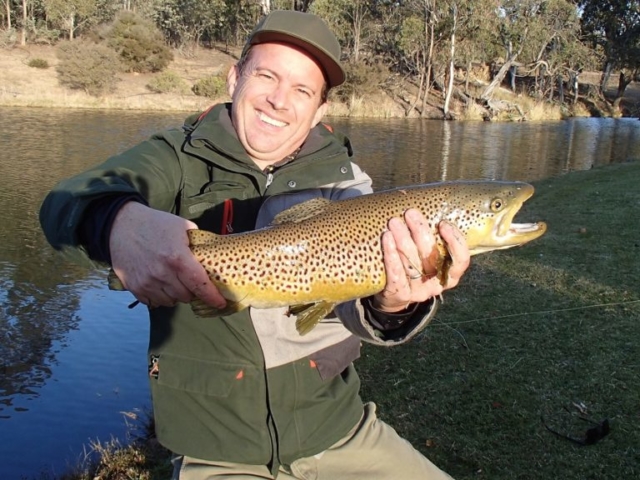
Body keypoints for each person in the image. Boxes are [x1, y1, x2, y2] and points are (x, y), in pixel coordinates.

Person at [40, 10, 470, 480]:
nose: (279, 101)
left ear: (321, 110)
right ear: (234, 78)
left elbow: (358, 311)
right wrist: (119, 223)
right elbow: (64, 202)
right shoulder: (174, 157)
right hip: (218, 452)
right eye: (267, 76)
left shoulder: (346, 184)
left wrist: (393, 305)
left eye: (303, 90)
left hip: (340, 432)